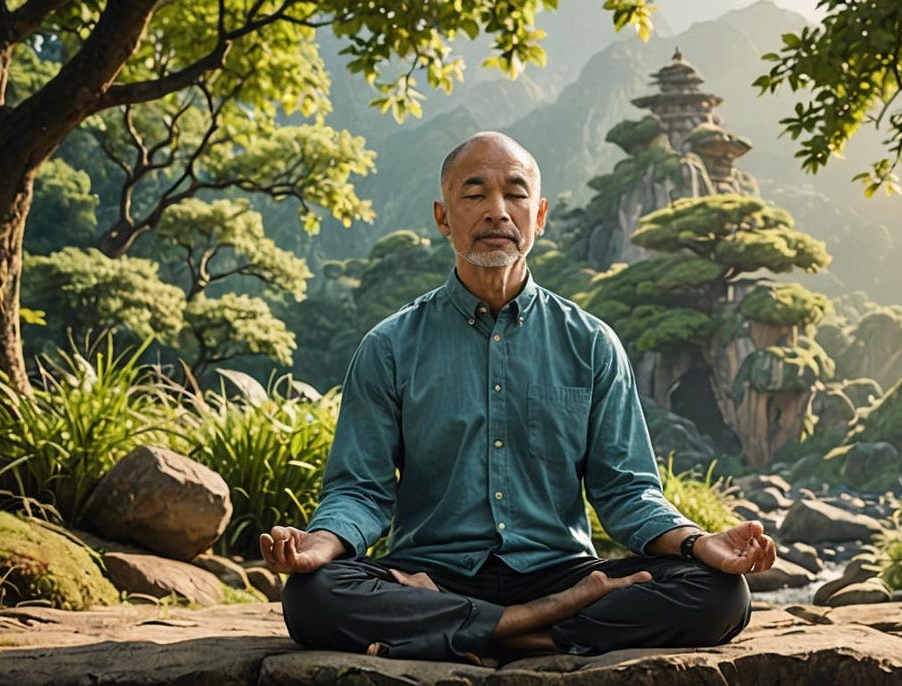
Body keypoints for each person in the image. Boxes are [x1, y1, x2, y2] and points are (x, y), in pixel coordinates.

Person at [261, 131, 777, 664]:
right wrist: (320, 544)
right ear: (443, 217)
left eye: (515, 193)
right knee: (311, 595)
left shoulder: (591, 343)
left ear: (541, 214)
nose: (496, 212)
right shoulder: (389, 346)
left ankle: (480, 631)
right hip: (431, 572)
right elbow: (361, 492)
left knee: (720, 593)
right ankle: (535, 626)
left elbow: (626, 491)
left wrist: (698, 542)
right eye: (475, 194)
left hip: (558, 570)